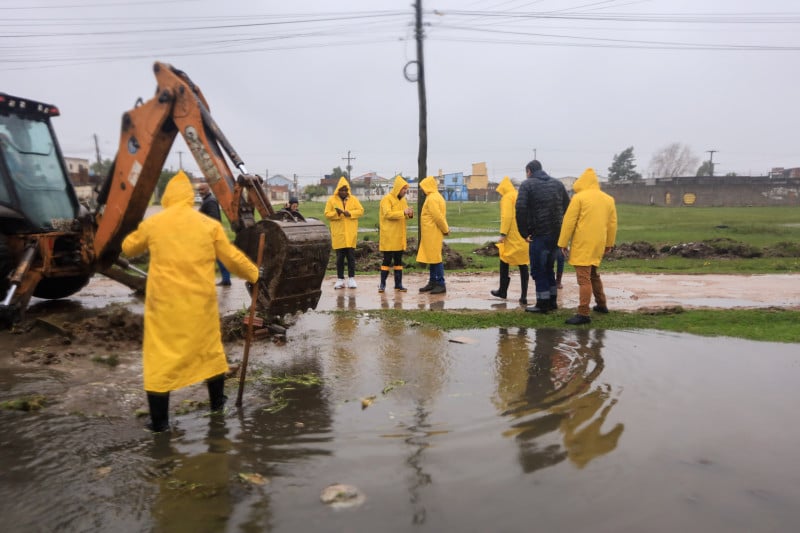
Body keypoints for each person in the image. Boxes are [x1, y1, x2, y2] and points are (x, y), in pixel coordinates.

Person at [122, 171, 259, 432]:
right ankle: (217, 406)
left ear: (167, 197)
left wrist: (130, 232)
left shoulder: (154, 224)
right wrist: (254, 273)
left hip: (164, 308)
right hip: (200, 306)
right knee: (209, 353)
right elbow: (231, 258)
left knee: (160, 359)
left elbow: (129, 248)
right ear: (189, 197)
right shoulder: (208, 226)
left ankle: (160, 423)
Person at [557, 167, 618, 325]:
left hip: (583, 243)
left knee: (584, 279)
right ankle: (601, 304)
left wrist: (562, 243)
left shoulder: (579, 198)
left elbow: (569, 222)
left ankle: (583, 313)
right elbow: (612, 224)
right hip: (598, 243)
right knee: (593, 275)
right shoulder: (608, 199)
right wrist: (609, 243)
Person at [515, 160, 570, 313]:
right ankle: (552, 301)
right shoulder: (558, 184)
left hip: (539, 234)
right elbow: (568, 206)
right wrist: (559, 223)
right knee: (549, 268)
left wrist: (524, 233)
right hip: (556, 235)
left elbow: (520, 209)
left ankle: (542, 303)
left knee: (538, 270)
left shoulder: (527, 185)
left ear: (528, 171)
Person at [491, 176, 529, 305]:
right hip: (523, 236)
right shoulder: (518, 195)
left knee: (504, 260)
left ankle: (503, 290)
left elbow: (506, 216)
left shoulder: (507, 198)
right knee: (523, 265)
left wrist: (503, 234)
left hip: (511, 236)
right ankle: (523, 296)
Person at [324, 177, 364, 289]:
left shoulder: (353, 199)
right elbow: (327, 214)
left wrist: (350, 213)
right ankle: (340, 279)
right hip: (338, 234)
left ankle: (351, 278)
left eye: (345, 190)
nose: (344, 192)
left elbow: (361, 211)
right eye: (341, 190)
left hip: (350, 234)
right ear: (338, 190)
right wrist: (338, 214)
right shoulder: (332, 200)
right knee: (340, 258)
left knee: (351, 257)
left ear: (348, 190)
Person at [378, 175, 414, 292]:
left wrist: (409, 214)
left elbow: (404, 216)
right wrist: (403, 212)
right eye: (404, 189)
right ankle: (382, 284)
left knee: (398, 261)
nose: (405, 191)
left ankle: (398, 284)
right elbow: (388, 214)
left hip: (399, 236)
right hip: (389, 236)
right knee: (386, 261)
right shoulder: (386, 199)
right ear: (398, 188)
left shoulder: (403, 200)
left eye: (406, 189)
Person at [416, 175, 449, 294]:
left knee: (436, 258)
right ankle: (432, 281)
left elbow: (438, 217)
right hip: (430, 233)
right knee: (432, 257)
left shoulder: (432, 198)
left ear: (428, 186)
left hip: (433, 233)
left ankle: (440, 283)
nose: (422, 190)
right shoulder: (435, 196)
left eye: (423, 188)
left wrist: (445, 229)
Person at [197, 182, 231, 287]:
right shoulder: (207, 200)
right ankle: (225, 279)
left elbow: (214, 218)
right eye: (199, 190)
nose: (200, 192)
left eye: (202, 189)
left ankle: (225, 280)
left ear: (207, 189)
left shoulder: (210, 201)